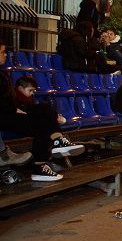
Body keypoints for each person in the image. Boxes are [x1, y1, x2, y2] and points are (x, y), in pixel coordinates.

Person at [0, 52, 82, 181]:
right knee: (44, 114)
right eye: (2, 52)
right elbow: (7, 104)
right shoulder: (7, 83)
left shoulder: (3, 74)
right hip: (6, 116)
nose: (5, 55)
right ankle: (56, 142)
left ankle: (42, 163)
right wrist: (13, 109)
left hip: (10, 114)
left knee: (44, 120)